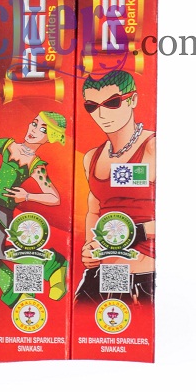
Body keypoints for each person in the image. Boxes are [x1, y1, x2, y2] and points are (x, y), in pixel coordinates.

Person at [75, 69, 156, 305]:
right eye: (92, 106)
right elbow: (94, 210)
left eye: (112, 103)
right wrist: (89, 248)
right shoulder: (91, 157)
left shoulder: (153, 148)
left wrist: (134, 233)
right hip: (103, 275)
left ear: (133, 100)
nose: (101, 114)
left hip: (142, 277)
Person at [0, 111, 67, 306]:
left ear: (50, 137)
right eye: (34, 123)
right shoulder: (8, 146)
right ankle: (48, 269)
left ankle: (48, 269)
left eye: (43, 129)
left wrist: (26, 196)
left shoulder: (35, 165)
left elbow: (54, 197)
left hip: (3, 209)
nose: (34, 130)